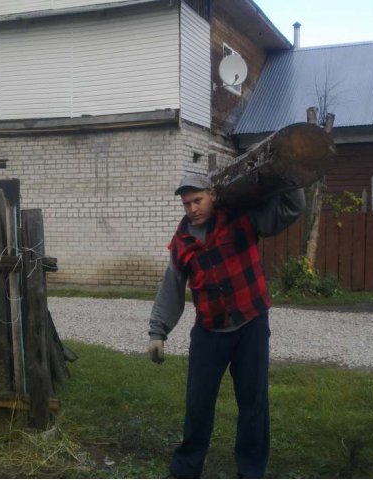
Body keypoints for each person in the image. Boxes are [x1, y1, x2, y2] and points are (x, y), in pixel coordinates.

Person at [148, 172, 305, 479]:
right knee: (198, 406)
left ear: (213, 195)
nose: (192, 208)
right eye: (186, 204)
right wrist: (157, 331)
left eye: (198, 200)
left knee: (253, 405)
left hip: (251, 325)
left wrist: (290, 177)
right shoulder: (182, 244)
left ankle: (250, 471)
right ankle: (186, 470)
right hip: (209, 332)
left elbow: (287, 211)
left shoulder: (242, 219)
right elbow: (172, 288)